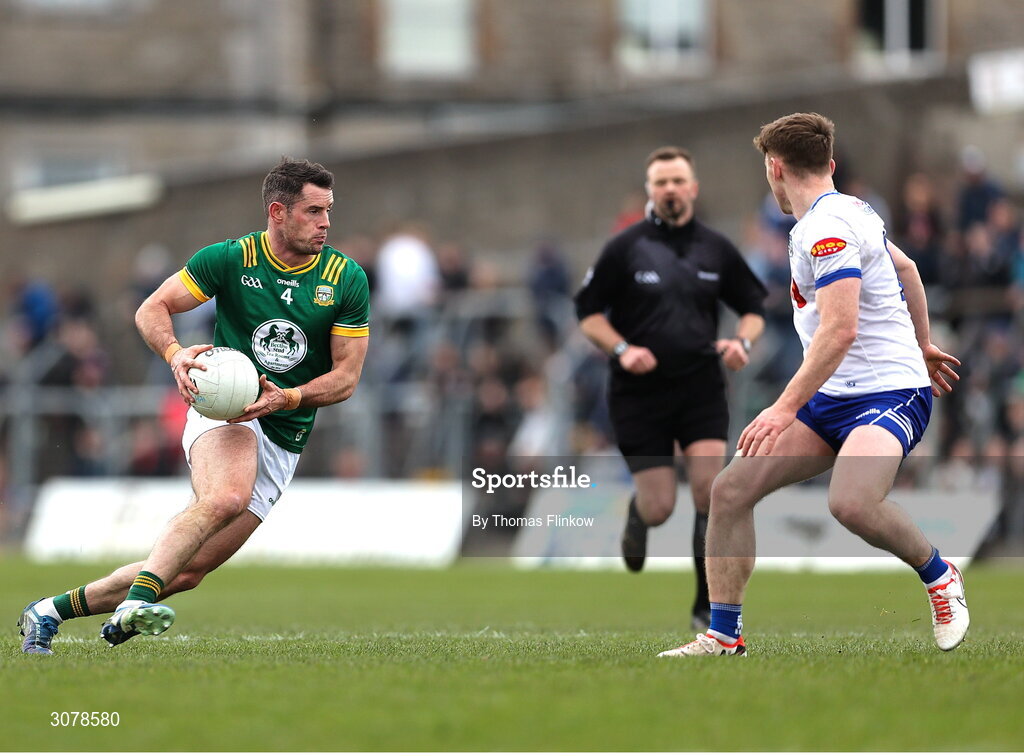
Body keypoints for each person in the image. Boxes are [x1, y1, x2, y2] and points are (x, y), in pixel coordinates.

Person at [19, 158, 370, 654]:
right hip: (224, 407)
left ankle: (48, 612)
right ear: (278, 211)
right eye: (313, 211)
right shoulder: (230, 259)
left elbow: (346, 378)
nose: (326, 223)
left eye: (328, 211)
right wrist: (175, 352)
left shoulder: (346, 278)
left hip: (284, 430)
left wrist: (288, 396)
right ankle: (132, 606)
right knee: (225, 497)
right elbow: (152, 308)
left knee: (185, 572)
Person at [658, 113, 967, 658]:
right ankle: (725, 635)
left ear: (774, 168)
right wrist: (921, 340)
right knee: (730, 492)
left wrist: (782, 408)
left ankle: (942, 579)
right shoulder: (850, 210)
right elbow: (910, 269)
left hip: (888, 394)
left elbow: (841, 329)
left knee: (851, 502)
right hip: (835, 397)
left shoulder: (826, 230)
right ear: (827, 164)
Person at [575, 146, 767, 629]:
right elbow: (588, 314)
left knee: (711, 492)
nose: (670, 189)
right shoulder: (625, 247)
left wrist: (742, 342)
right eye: (660, 182)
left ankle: (707, 606)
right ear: (650, 191)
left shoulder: (716, 248)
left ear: (693, 188)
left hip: (700, 385)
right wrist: (623, 350)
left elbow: (753, 309)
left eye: (678, 181)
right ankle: (639, 518)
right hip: (639, 393)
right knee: (661, 506)